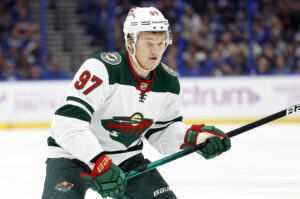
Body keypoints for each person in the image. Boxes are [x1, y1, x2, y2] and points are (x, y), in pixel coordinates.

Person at [41, 7, 231, 199]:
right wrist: (98, 161)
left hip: (125, 159)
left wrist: (195, 138)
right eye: (148, 42)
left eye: (161, 42)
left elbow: (162, 133)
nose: (156, 50)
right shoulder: (102, 68)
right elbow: (66, 124)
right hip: (73, 158)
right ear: (130, 43)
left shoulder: (169, 82)